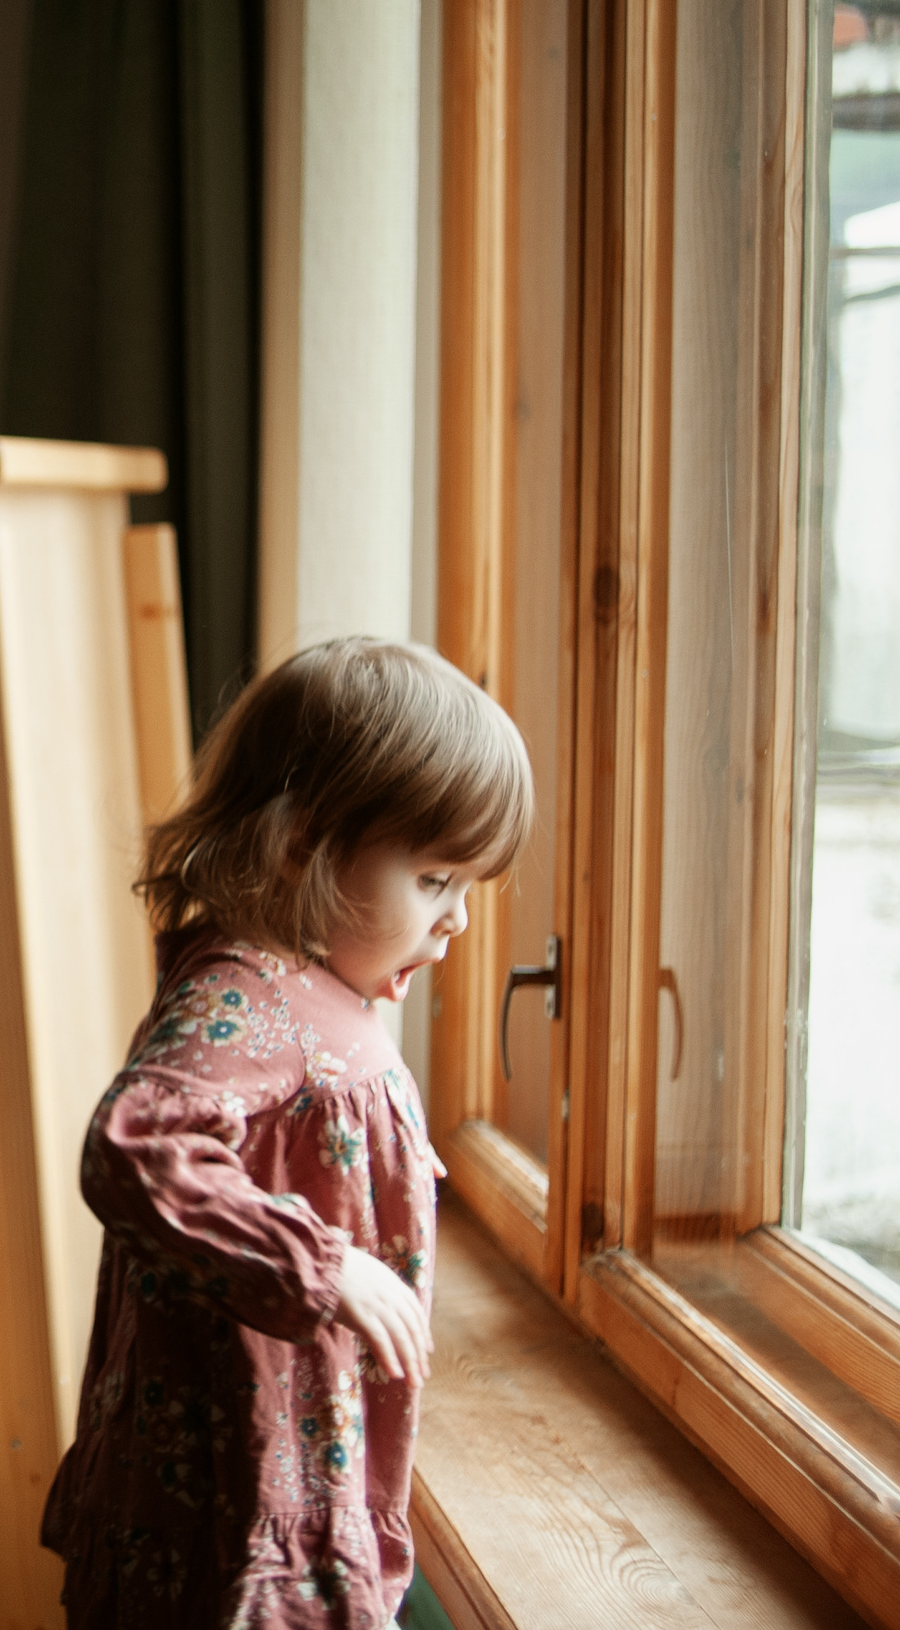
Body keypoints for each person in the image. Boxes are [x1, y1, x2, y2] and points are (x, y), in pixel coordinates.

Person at [40, 638, 532, 1628]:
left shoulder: (324, 991)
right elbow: (133, 1143)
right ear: (304, 844)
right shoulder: (245, 994)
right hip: (229, 1491)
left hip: (308, 1455)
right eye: (435, 879)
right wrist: (322, 1263)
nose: (456, 924)